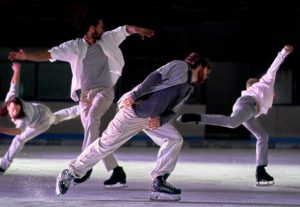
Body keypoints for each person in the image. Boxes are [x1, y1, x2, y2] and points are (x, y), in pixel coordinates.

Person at [8, 11, 155, 187]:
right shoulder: (74, 46)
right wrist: (26, 57)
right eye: (100, 25)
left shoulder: (107, 39)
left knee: (92, 118)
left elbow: (125, 30)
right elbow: (48, 55)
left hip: (104, 91)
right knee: (94, 136)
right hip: (84, 96)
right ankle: (117, 172)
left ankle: (82, 168)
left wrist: (139, 30)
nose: (103, 27)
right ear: (91, 28)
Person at [55, 52, 211, 201]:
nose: (207, 75)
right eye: (207, 71)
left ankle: (159, 181)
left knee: (174, 139)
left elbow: (173, 110)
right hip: (133, 109)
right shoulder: (180, 66)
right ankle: (70, 172)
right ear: (200, 66)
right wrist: (134, 96)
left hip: (151, 118)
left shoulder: (188, 88)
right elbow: (155, 77)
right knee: (105, 145)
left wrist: (161, 121)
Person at [177, 45, 294, 186]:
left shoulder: (261, 93)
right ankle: (197, 117)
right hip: (247, 105)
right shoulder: (266, 82)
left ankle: (260, 170)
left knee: (262, 136)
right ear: (253, 86)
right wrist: (284, 52)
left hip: (249, 110)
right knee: (232, 123)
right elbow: (274, 66)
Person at [0, 62, 80, 174]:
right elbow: (14, 84)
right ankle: (81, 108)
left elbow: (18, 131)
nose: (14, 113)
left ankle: (3, 166)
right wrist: (17, 70)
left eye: (17, 111)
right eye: (13, 110)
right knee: (57, 118)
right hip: (40, 109)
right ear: (8, 105)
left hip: (41, 121)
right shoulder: (11, 99)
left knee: (19, 139)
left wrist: (2, 129)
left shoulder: (23, 118)